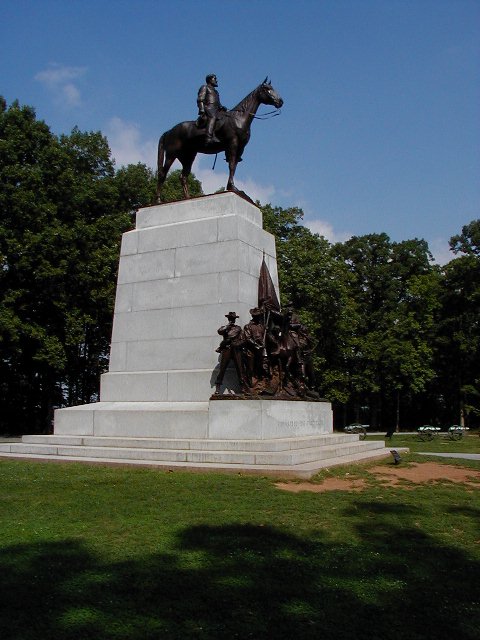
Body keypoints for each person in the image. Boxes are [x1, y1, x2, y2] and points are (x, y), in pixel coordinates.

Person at [214, 312, 246, 393]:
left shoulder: (238, 328)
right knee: (222, 368)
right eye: (230, 319)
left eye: (233, 319)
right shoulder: (225, 328)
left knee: (240, 368)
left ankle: (243, 386)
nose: (232, 320)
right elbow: (219, 331)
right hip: (227, 348)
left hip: (236, 349)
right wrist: (227, 326)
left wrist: (237, 344)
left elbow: (242, 339)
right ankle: (218, 387)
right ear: (228, 319)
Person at [197, 74, 226, 144]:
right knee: (213, 117)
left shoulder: (216, 92)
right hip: (208, 108)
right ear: (210, 80)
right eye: (214, 79)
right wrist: (202, 109)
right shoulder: (205, 87)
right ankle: (208, 137)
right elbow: (200, 99)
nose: (216, 80)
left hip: (216, 109)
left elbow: (217, 102)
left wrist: (221, 107)